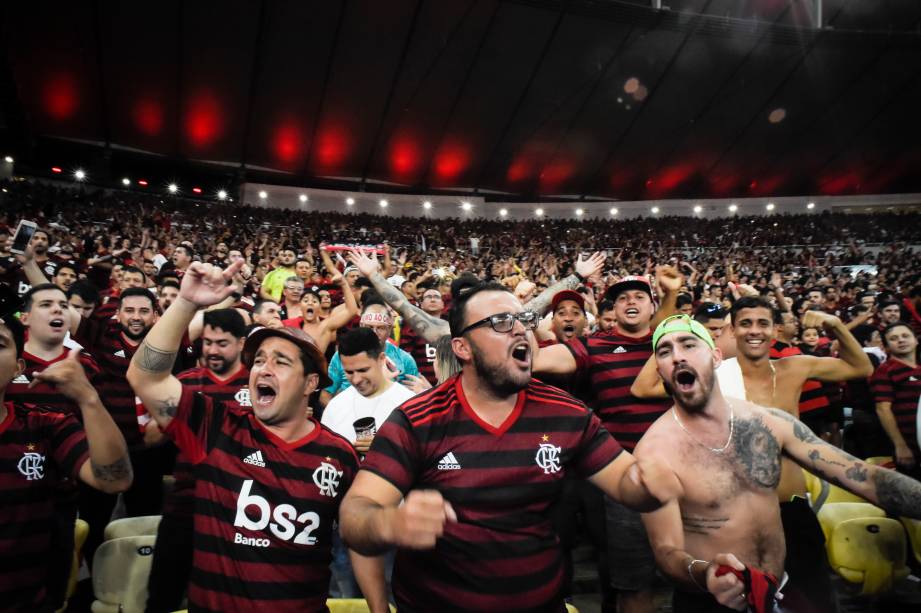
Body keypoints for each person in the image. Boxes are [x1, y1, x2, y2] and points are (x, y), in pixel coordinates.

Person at [339, 279, 680, 612]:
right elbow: (356, 512)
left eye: (524, 320)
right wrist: (389, 524)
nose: (520, 330)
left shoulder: (565, 412)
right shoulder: (418, 419)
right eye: (501, 322)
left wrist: (651, 483)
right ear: (462, 348)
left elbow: (625, 481)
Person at [127, 260, 382, 611]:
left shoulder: (338, 455)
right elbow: (146, 378)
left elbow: (360, 539)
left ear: (310, 384)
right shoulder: (217, 428)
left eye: (281, 361)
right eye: (259, 360)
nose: (263, 368)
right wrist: (185, 303)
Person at [636, 314, 921, 612]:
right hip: (710, 600)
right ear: (661, 371)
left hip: (780, 588)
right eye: (665, 351)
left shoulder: (768, 424)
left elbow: (865, 478)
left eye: (688, 344)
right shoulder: (655, 452)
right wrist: (705, 573)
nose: (678, 356)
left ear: (716, 356)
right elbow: (666, 552)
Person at [534, 269, 683, 613]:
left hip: (683, 474)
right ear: (612, 310)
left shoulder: (672, 344)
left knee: (696, 577)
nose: (630, 302)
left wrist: (672, 294)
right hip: (624, 478)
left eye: (639, 297)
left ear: (653, 306)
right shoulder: (593, 346)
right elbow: (540, 360)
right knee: (632, 584)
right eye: (622, 299)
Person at [715, 296, 873, 609]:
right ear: (732, 330)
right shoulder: (715, 375)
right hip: (737, 509)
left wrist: (836, 324)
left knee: (812, 598)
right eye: (745, 323)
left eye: (763, 323)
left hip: (792, 504)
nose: (754, 331)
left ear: (775, 329)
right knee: (743, 599)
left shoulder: (794, 367)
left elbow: (861, 366)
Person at [0, 295, 132, 610]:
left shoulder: (45, 425)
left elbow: (115, 480)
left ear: (18, 367)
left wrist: (88, 399)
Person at [145, 308, 251, 612]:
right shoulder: (184, 382)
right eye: (207, 342)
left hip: (239, 511)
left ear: (242, 343)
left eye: (222, 343)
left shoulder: (259, 382)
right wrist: (177, 416)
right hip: (186, 504)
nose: (212, 350)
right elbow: (151, 437)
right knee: (163, 594)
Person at [321, 327, 412, 602]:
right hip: (344, 528)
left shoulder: (408, 404)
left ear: (381, 359)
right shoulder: (336, 407)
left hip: (393, 524)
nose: (356, 379)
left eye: (363, 370)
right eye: (349, 373)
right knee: (343, 596)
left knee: (393, 597)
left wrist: (384, 453)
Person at [323, 297, 420, 400]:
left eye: (380, 328)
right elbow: (325, 395)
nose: (374, 333)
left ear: (390, 329)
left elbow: (414, 398)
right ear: (361, 326)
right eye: (369, 327)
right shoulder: (342, 356)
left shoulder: (405, 359)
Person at [872, 323, 921, 478]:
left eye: (905, 336)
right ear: (886, 347)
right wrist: (900, 446)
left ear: (916, 340)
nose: (901, 340)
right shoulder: (885, 371)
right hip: (911, 446)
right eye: (894, 338)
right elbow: (883, 409)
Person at [284, 271, 359, 353]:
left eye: (314, 301)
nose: (310, 303)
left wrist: (344, 284)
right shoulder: (290, 325)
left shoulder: (326, 325)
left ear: (319, 307)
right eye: (306, 301)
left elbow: (351, 311)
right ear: (300, 307)